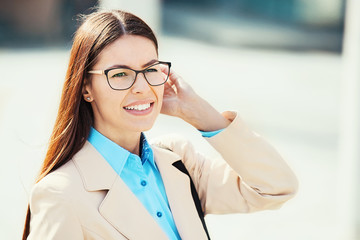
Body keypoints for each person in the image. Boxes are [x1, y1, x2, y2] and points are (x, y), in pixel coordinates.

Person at [22, 9, 298, 240]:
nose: (142, 87)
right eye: (120, 74)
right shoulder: (61, 194)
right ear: (86, 89)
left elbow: (276, 186)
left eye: (151, 69)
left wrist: (199, 113)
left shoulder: (176, 161)